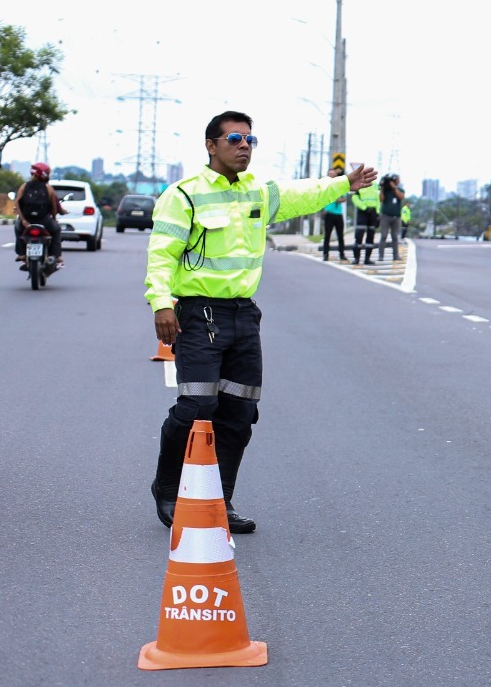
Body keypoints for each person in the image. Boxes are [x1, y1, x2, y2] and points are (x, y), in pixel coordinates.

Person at [145, 111, 378, 532]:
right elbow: (161, 253)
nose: (244, 145)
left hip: (243, 316)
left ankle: (221, 501)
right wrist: (162, 302)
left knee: (239, 411)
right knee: (198, 405)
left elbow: (303, 194)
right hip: (199, 316)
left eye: (250, 139)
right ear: (211, 145)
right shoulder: (183, 195)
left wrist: (344, 183)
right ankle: (166, 488)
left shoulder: (259, 191)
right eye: (234, 138)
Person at [13, 161, 65, 268]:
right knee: (56, 230)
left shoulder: (24, 186)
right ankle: (56, 255)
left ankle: (22, 254)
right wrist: (54, 218)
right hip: (44, 222)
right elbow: (54, 206)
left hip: (27, 222)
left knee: (18, 229)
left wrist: (23, 220)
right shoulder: (48, 188)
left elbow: (17, 203)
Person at [376, 173, 405, 262]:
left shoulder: (400, 189)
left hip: (396, 217)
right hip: (385, 215)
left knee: (395, 236)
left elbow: (401, 196)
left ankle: (395, 256)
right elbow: (381, 199)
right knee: (384, 235)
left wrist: (394, 187)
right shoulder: (385, 190)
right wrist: (381, 189)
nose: (398, 180)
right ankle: (381, 256)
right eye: (397, 179)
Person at [351, 179, 380, 263]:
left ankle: (367, 258)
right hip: (363, 212)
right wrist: (364, 207)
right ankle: (356, 258)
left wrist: (378, 212)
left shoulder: (375, 184)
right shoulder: (359, 182)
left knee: (371, 237)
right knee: (359, 235)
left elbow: (377, 199)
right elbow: (354, 197)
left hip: (373, 212)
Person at [320, 194, 347, 262]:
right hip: (328, 213)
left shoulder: (340, 189)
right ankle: (325, 254)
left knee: (340, 236)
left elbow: (344, 199)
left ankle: (342, 254)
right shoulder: (328, 188)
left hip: (338, 214)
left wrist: (339, 200)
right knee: (327, 235)